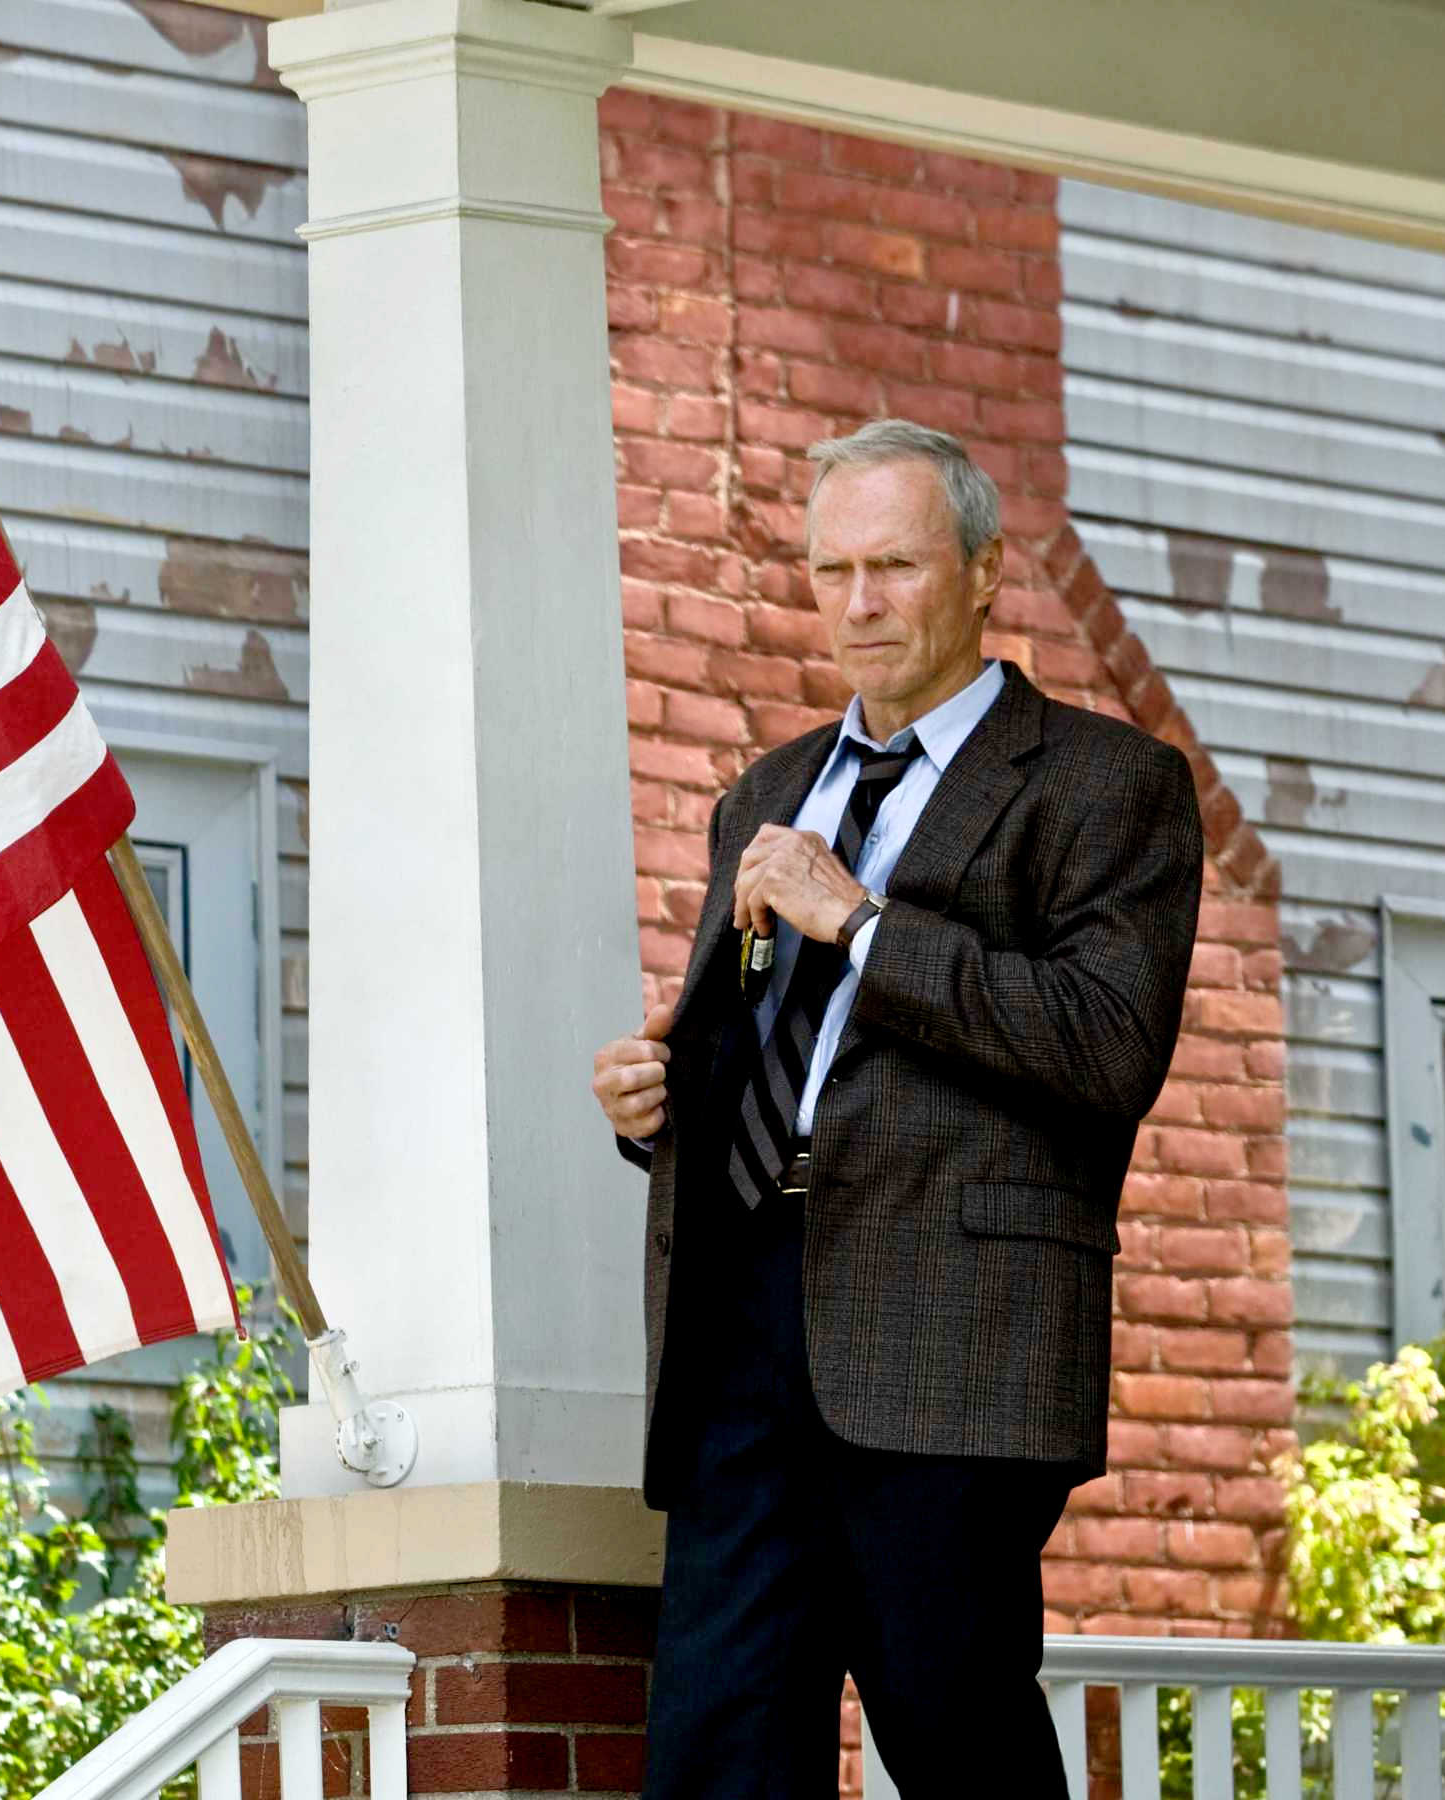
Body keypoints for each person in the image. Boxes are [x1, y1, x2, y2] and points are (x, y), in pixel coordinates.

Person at [589, 419, 1203, 1794]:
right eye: (834, 571)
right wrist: (653, 1104)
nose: (859, 604)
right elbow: (753, 1052)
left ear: (984, 572)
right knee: (717, 1765)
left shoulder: (1111, 788)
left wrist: (861, 923)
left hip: (947, 1346)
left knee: (961, 1748)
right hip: (736, 1342)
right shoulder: (767, 789)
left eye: (896, 567)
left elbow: (1107, 1046)